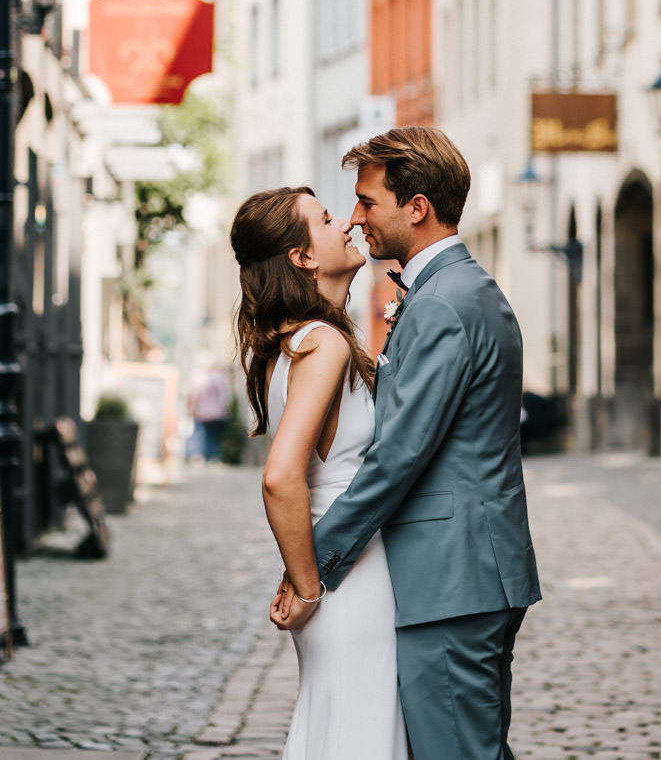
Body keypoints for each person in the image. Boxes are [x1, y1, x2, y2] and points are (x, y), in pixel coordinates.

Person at [273, 126, 542, 760]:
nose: (357, 217)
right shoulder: (451, 291)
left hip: (451, 576)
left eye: (369, 202)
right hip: (463, 572)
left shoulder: (444, 303)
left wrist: (314, 564)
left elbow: (399, 456)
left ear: (415, 206)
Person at [231, 185, 407, 760]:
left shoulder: (292, 346)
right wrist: (308, 584)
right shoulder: (324, 343)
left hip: (337, 566)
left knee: (340, 728)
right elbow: (281, 476)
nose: (347, 225)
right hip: (349, 575)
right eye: (327, 220)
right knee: (362, 732)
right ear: (302, 258)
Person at [187, 356, 232, 462]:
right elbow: (224, 396)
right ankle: (214, 456)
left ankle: (200, 455)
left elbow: (194, 395)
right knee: (214, 436)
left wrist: (191, 407)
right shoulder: (219, 377)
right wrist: (225, 409)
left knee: (200, 434)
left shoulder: (198, 376)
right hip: (216, 413)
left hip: (200, 412)